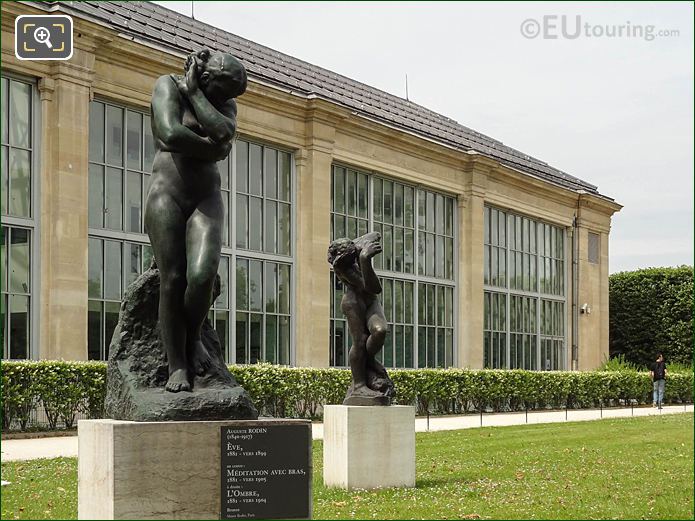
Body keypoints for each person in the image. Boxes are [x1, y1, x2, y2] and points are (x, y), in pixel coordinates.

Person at [145, 48, 247, 392]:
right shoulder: (166, 86)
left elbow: (224, 135)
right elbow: (169, 134)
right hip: (166, 195)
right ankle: (177, 365)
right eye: (222, 92)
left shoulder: (219, 102)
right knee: (173, 279)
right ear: (207, 77)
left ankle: (193, 340)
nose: (226, 101)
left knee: (203, 276)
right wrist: (212, 148)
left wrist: (195, 96)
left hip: (207, 197)